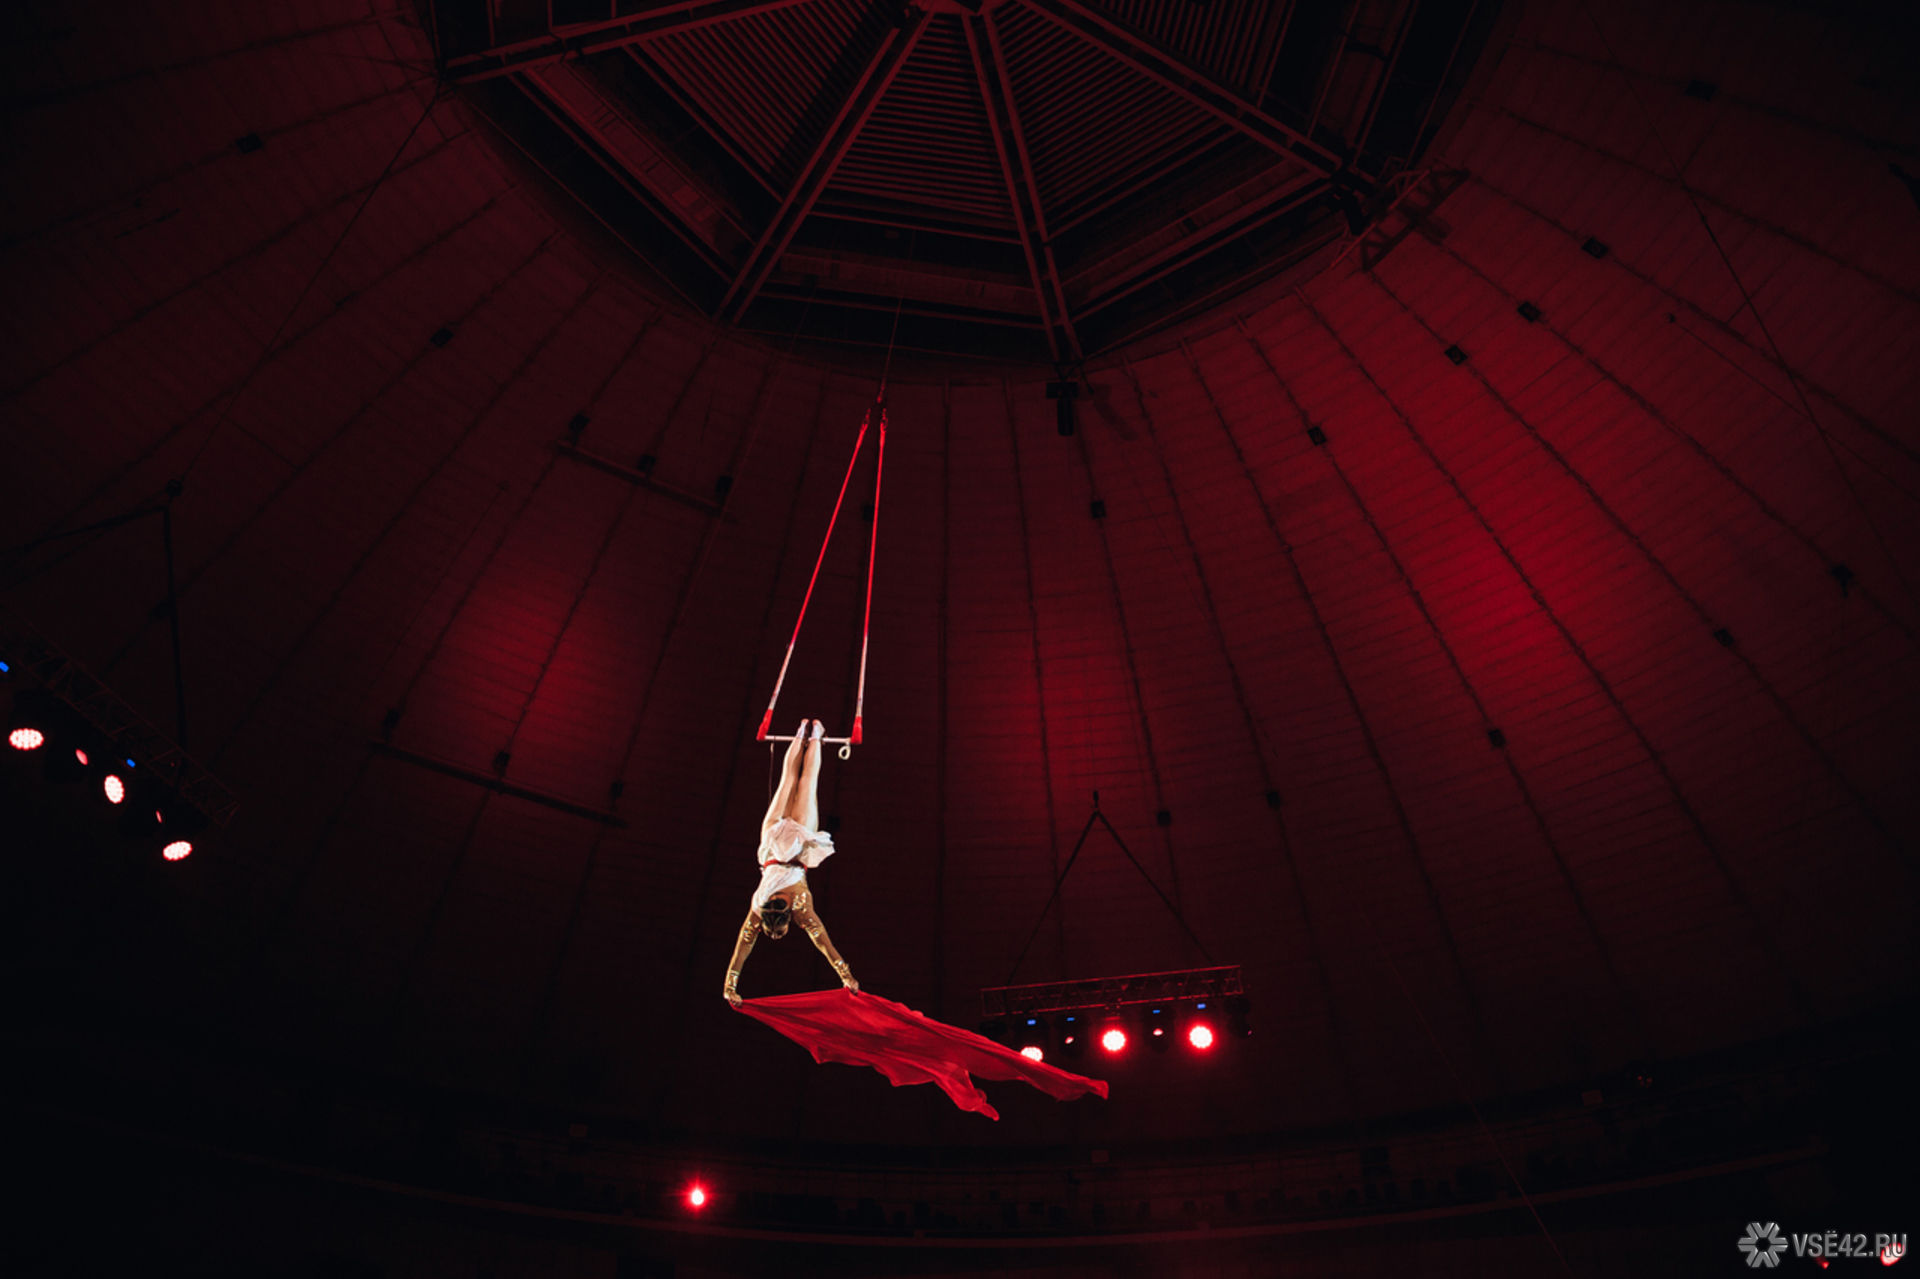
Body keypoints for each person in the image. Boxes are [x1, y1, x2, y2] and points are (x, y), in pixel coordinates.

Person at [724, 719, 858, 1006]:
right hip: (771, 842)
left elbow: (823, 943)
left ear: (788, 919)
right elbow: (743, 946)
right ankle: (801, 732)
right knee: (788, 780)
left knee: (807, 781)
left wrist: (845, 975)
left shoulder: (801, 908)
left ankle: (817, 733)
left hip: (796, 847)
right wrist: (729, 984)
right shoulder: (758, 906)